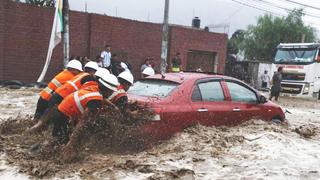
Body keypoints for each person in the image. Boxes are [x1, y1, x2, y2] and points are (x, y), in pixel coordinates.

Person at [57, 74, 120, 160]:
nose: (112, 94)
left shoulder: (94, 87)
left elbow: (102, 98)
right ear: (108, 91)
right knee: (61, 142)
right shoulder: (95, 101)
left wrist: (113, 106)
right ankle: (61, 158)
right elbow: (83, 122)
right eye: (112, 92)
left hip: (62, 108)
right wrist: (70, 144)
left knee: (59, 137)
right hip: (64, 115)